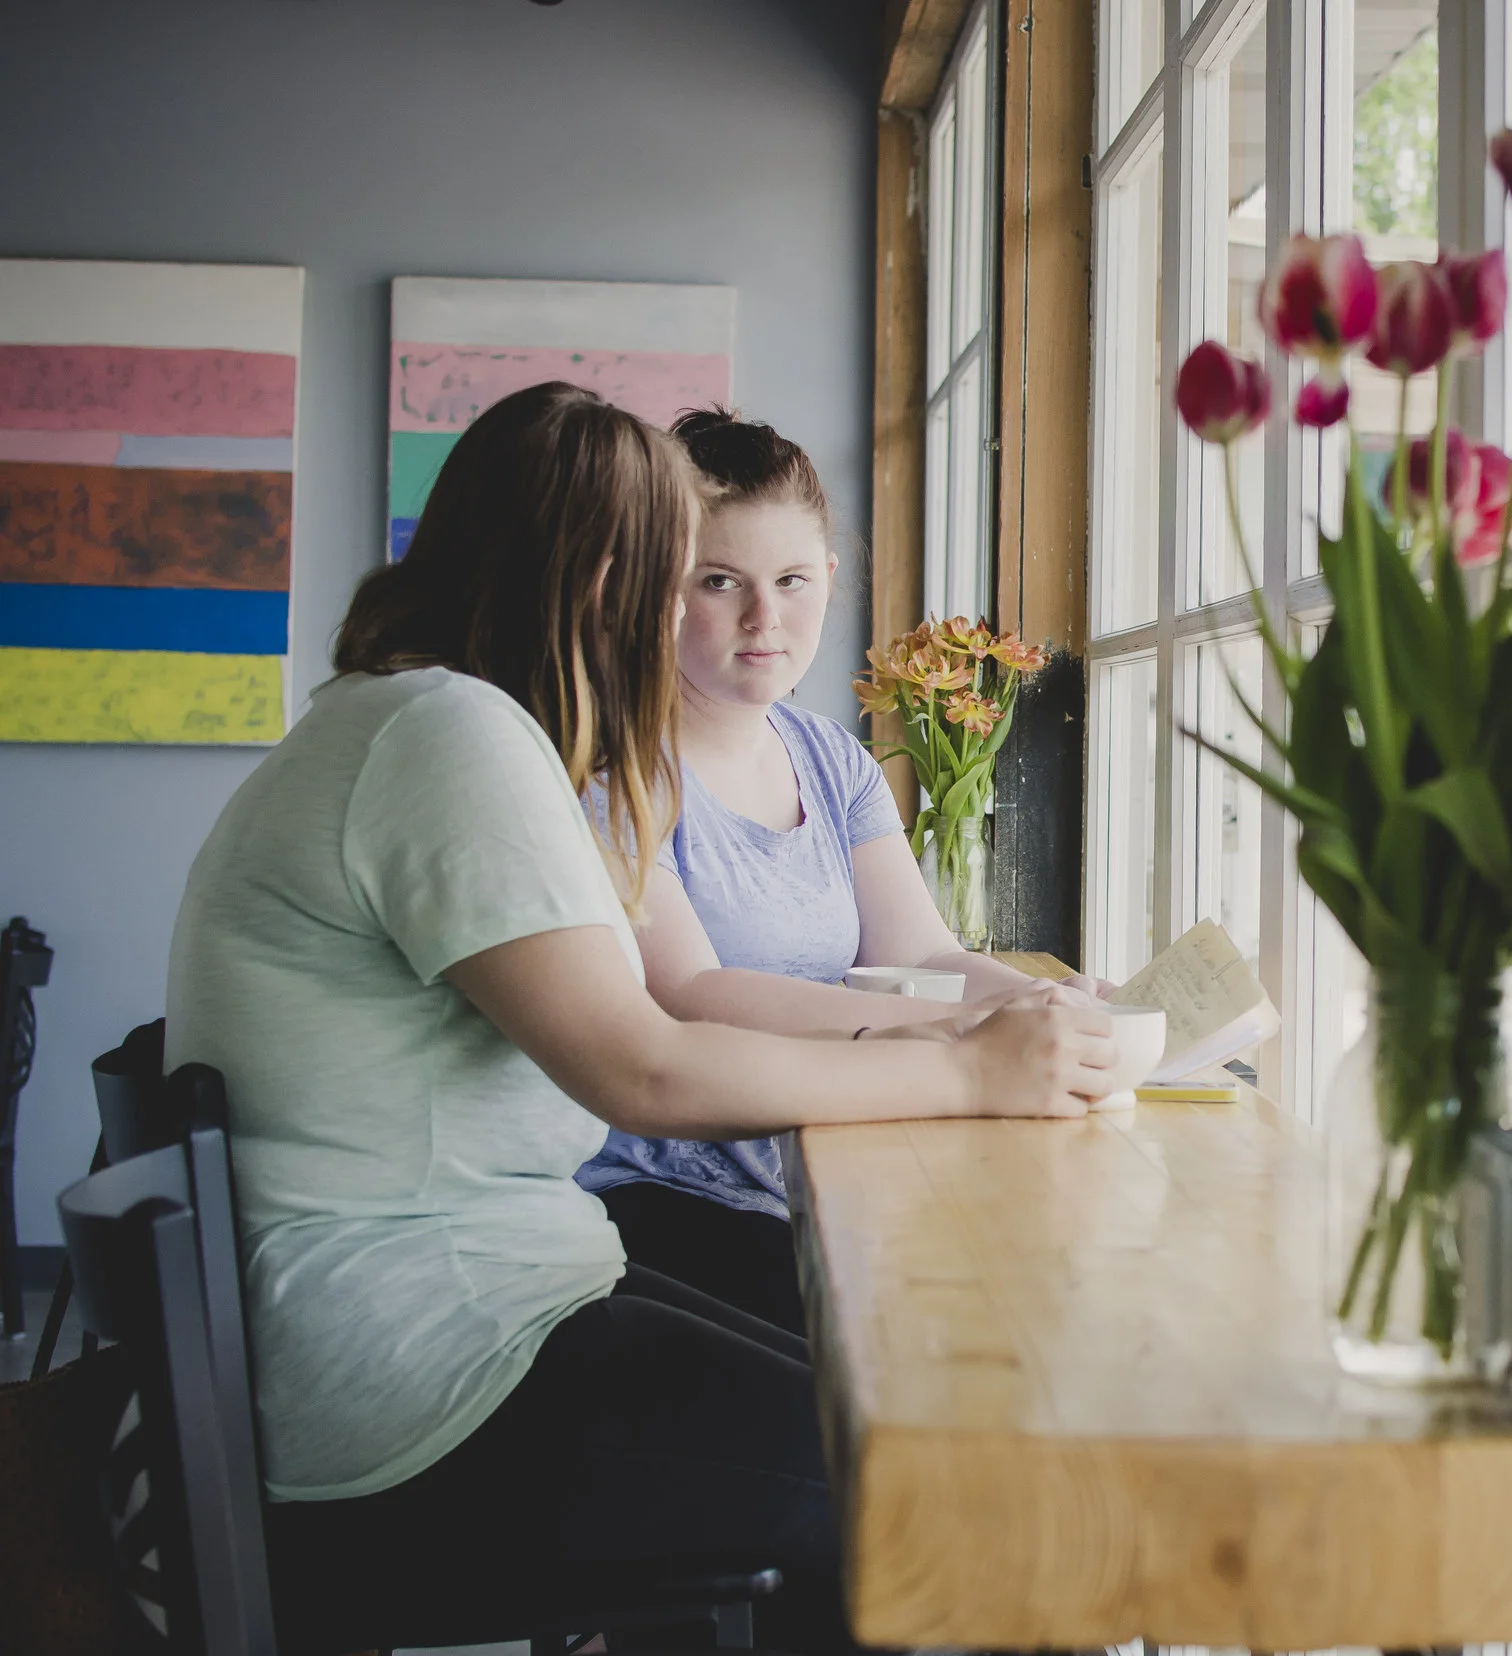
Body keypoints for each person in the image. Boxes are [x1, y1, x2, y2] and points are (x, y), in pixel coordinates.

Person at [163, 381, 1114, 1653]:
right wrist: (974, 1073)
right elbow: (645, 1068)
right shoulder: (449, 737)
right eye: (681, 578)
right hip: (433, 1368)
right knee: (937, 1490)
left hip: (456, 1312)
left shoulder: (408, 716)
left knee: (887, 1416)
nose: (691, 619)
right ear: (606, 577)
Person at [576, 408, 1095, 1336]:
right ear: (658, 588)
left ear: (831, 580)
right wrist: (973, 1032)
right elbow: (694, 994)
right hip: (667, 1198)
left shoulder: (829, 756)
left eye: (791, 580)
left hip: (823, 1169)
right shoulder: (616, 771)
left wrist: (1052, 1007)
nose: (763, 619)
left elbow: (923, 950)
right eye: (720, 581)